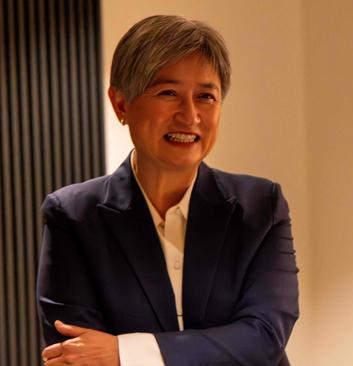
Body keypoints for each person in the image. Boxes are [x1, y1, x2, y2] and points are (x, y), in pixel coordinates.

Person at [36, 15, 299, 366]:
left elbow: (264, 337)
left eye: (206, 96)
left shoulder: (259, 207)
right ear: (121, 104)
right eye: (168, 93)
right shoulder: (74, 215)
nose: (190, 115)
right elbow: (73, 354)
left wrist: (124, 353)